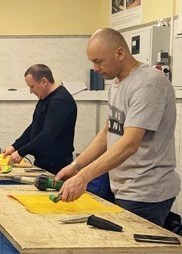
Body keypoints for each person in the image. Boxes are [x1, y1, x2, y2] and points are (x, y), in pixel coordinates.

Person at [56, 28, 180, 226]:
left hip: (146, 192)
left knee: (130, 246)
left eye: (98, 61)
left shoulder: (147, 84)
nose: (95, 68)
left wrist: (83, 177)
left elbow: (130, 144)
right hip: (124, 188)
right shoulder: (117, 83)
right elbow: (109, 131)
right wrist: (76, 166)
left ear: (120, 53)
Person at [2, 64, 77, 175]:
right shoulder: (45, 98)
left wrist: (21, 152)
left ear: (44, 81)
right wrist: (15, 146)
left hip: (56, 166)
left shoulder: (59, 101)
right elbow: (35, 126)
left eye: (32, 86)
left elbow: (48, 135)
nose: (31, 91)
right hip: (43, 162)